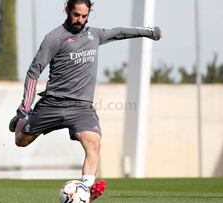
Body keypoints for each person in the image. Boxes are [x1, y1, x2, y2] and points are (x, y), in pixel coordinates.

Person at [9, 0, 161, 201]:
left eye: (84, 16)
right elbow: (33, 72)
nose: (80, 20)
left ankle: (85, 191)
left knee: (94, 142)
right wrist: (24, 109)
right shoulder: (54, 38)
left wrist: (149, 32)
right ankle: (20, 121)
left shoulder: (94, 35)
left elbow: (118, 32)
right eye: (76, 15)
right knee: (21, 140)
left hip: (81, 108)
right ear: (67, 11)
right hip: (52, 104)